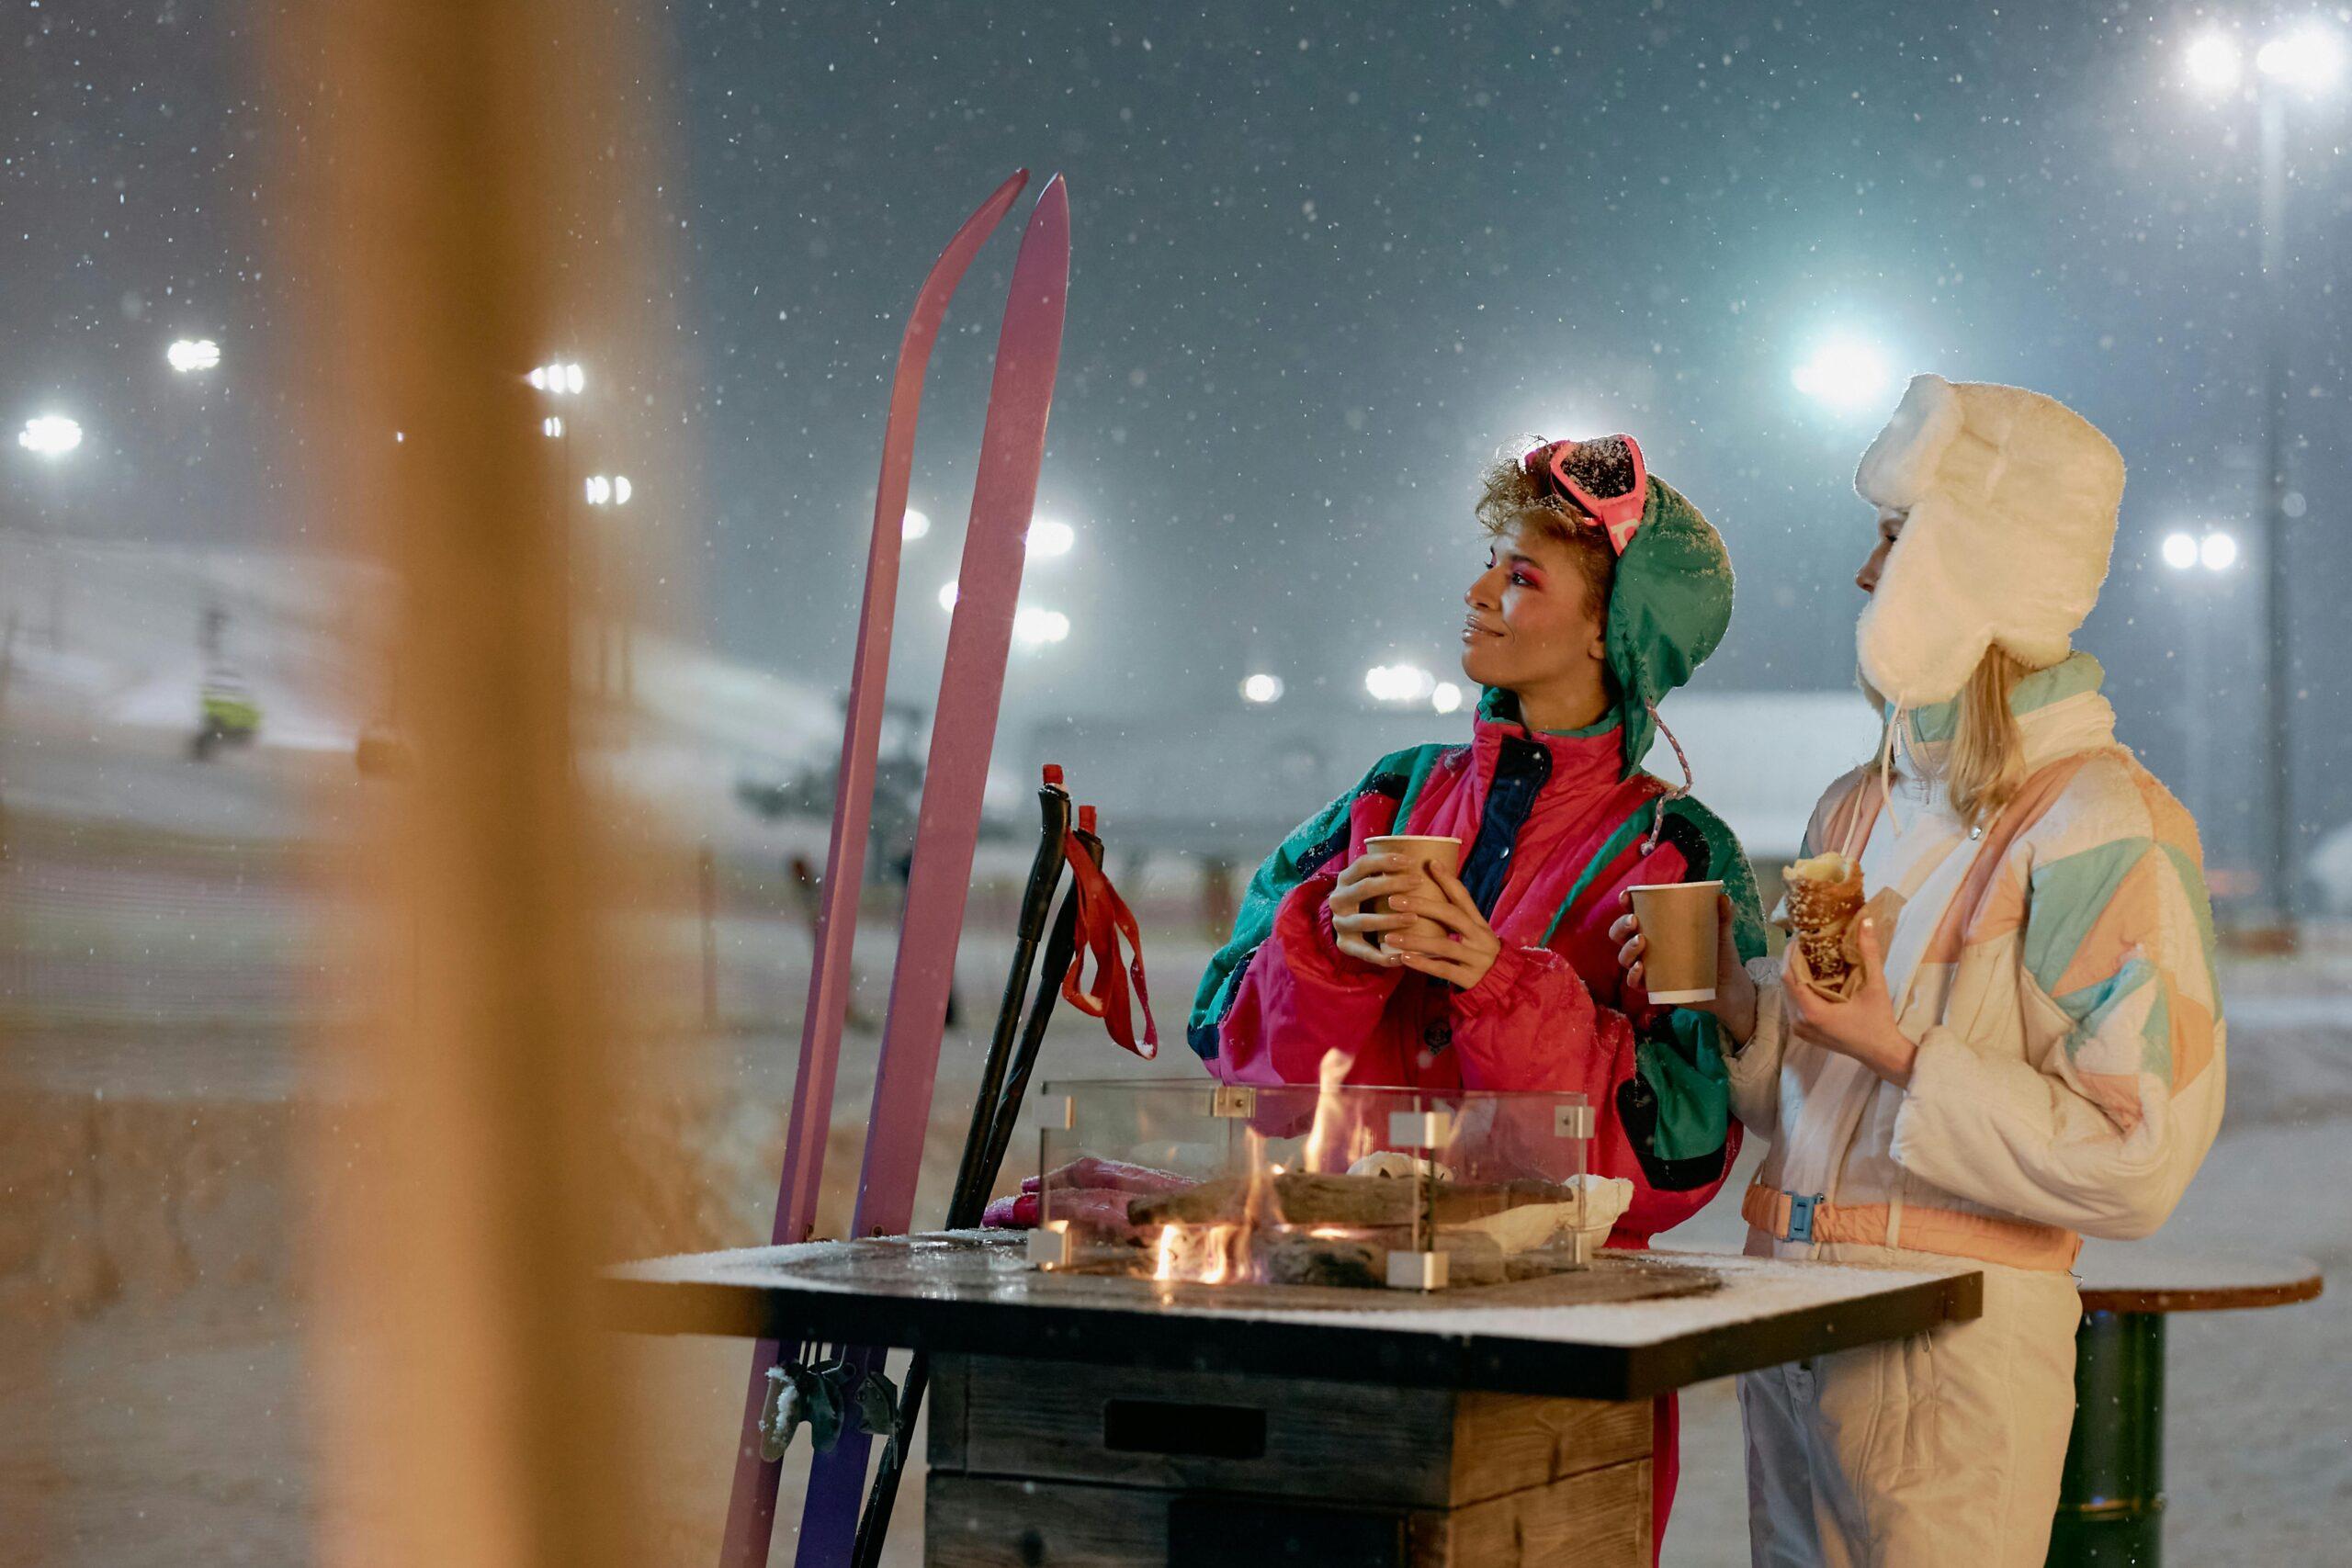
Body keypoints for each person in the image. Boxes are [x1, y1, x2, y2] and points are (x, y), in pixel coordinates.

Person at [1612, 375, 2225, 1566]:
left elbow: (2136, 1155)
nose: (1861, 575)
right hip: (1790, 1320)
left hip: (1949, 1346)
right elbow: (1822, 1084)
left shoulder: (2105, 823)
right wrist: (1752, 1010)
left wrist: (1897, 1044)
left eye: (1893, 539)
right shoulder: (1861, 801)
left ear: (1972, 564)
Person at [1189, 434, 1765, 1561]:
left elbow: (1671, 1167)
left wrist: (1499, 986)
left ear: (1610, 630)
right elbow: (1232, 1057)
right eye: (1489, 562)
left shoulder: (1673, 855)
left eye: (1520, 574)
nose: (1475, 590)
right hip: (1337, 1317)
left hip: (1559, 1356)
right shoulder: (1387, 796)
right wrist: (1329, 952)